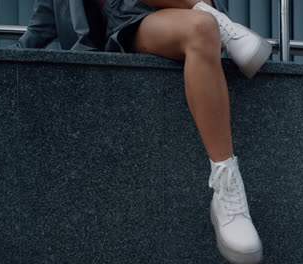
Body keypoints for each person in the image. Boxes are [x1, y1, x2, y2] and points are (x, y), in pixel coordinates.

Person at [16, 1, 272, 263]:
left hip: (184, 13)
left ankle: (227, 192)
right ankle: (224, 28)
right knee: (206, 26)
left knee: (204, 25)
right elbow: (39, 28)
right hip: (129, 28)